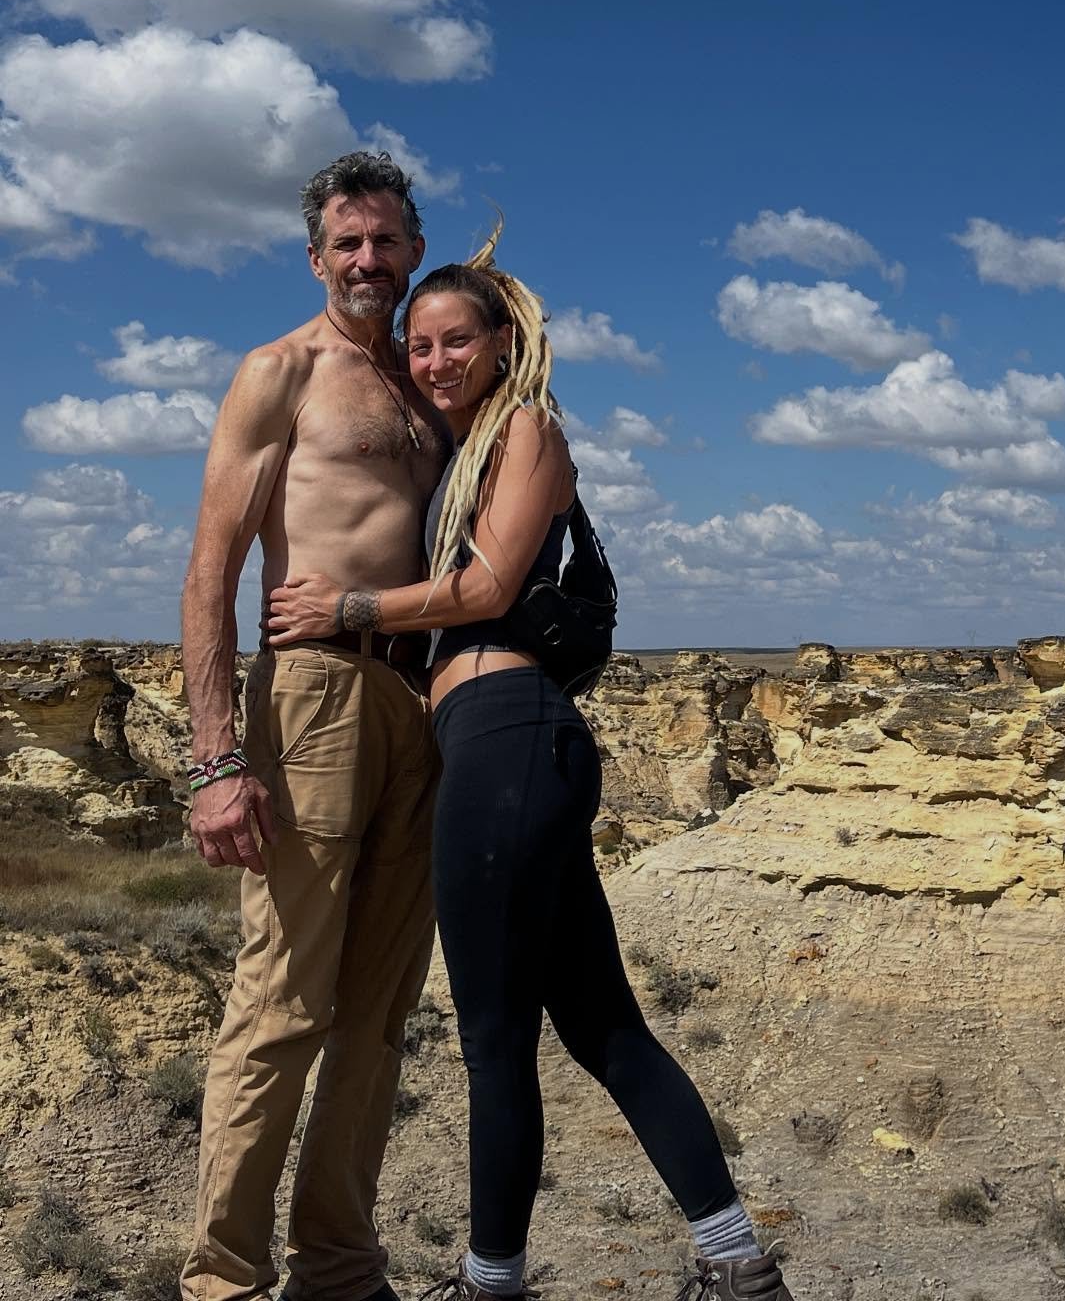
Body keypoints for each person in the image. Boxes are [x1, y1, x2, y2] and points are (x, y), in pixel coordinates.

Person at [266, 227, 793, 1301]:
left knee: (495, 1043)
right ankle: (739, 1264)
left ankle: (488, 1282)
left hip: (509, 744)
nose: (434, 361)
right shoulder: (467, 450)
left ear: (503, 345)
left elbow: (490, 589)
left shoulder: (527, 432)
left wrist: (347, 607)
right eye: (418, 345)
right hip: (512, 753)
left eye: (456, 341)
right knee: (602, 1028)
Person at [180, 150, 449, 1301]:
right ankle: (224, 1282)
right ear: (314, 256)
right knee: (282, 1001)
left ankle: (338, 1269)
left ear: (412, 252)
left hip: (419, 700)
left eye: (385, 241)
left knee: (379, 1013)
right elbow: (212, 569)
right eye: (347, 243)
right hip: (315, 696)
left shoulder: (432, 386)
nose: (367, 262)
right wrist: (216, 756)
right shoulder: (280, 372)